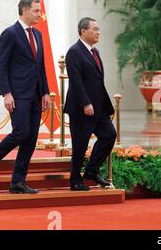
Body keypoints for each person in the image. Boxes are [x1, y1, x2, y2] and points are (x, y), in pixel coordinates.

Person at [0, 0, 50, 194]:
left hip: (36, 94)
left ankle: (18, 182)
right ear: (25, 10)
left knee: (30, 139)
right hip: (18, 94)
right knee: (21, 132)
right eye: (36, 11)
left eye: (39, 11)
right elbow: (1, 65)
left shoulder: (38, 34)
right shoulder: (10, 33)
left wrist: (45, 91)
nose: (39, 14)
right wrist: (6, 93)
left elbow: (41, 66)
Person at [64, 17, 116, 191]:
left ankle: (92, 171)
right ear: (83, 31)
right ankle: (75, 180)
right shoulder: (74, 52)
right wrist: (86, 103)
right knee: (80, 144)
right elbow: (76, 81)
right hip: (81, 107)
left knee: (109, 135)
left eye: (99, 29)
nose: (98, 32)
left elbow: (98, 82)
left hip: (99, 107)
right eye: (95, 29)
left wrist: (107, 106)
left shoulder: (96, 52)